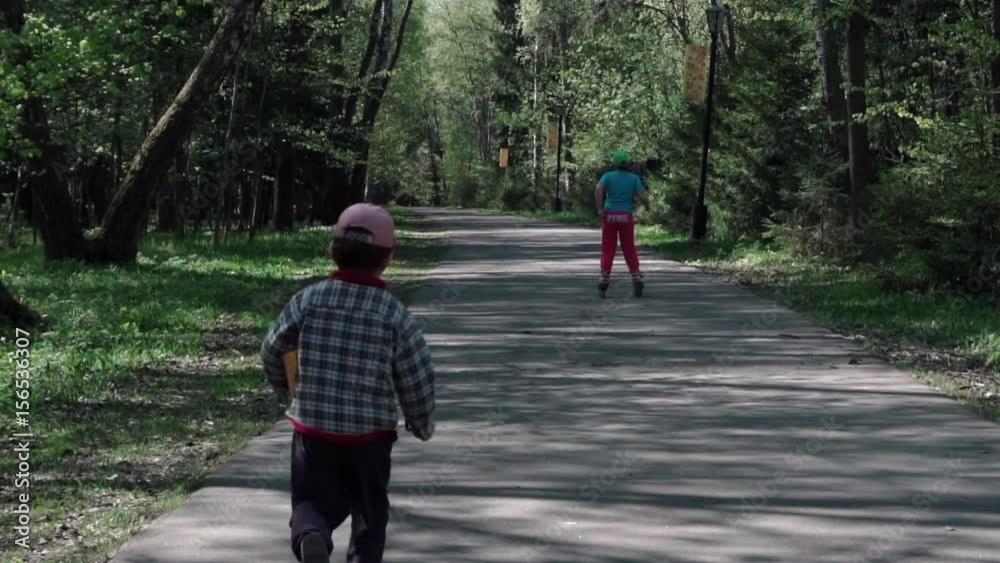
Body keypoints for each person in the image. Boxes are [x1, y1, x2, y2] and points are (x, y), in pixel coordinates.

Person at [260, 203, 436, 563]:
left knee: (309, 502)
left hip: (313, 431)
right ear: (388, 258)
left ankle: (312, 533)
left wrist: (288, 391)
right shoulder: (393, 313)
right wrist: (421, 422)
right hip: (369, 439)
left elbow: (272, 347)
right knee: (369, 516)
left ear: (333, 251)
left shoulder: (309, 299)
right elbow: (415, 374)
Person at [595, 148, 651, 297]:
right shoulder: (634, 178)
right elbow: (643, 195)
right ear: (628, 163)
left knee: (608, 248)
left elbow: (599, 189)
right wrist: (647, 207)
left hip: (610, 215)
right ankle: (636, 276)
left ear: (615, 163)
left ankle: (604, 277)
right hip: (626, 215)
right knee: (629, 247)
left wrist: (600, 209)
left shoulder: (608, 176)